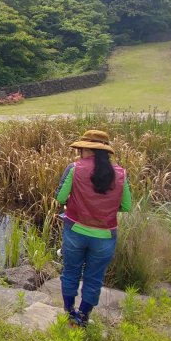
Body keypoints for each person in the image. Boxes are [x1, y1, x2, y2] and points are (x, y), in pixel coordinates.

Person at [55, 129, 132, 327]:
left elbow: (60, 198)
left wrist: (72, 204)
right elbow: (126, 206)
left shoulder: (74, 168)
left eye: (81, 148)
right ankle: (83, 315)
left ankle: (69, 312)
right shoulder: (121, 174)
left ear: (87, 150)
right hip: (105, 235)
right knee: (94, 277)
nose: (79, 151)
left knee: (71, 272)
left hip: (75, 231)